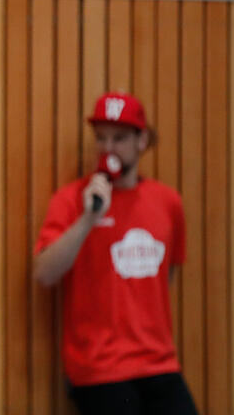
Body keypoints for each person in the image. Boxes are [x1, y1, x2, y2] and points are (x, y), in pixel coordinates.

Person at [33, 92, 198, 415]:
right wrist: (88, 220)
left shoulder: (168, 203)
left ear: (142, 140)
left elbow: (168, 275)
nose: (108, 149)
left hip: (159, 364)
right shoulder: (72, 200)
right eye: (101, 139)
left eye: (119, 138)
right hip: (100, 370)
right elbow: (44, 273)